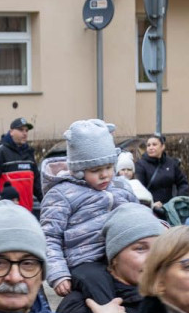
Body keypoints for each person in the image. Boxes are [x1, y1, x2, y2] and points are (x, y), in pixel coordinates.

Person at [41, 119, 137, 297]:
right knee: (97, 284)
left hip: (119, 254)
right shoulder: (61, 194)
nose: (105, 175)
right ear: (78, 170)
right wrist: (58, 273)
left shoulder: (121, 187)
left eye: (109, 167)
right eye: (95, 170)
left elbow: (139, 216)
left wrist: (159, 225)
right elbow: (50, 237)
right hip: (83, 260)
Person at [56, 203, 166, 313]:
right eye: (140, 248)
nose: (153, 258)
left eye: (158, 248)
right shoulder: (81, 303)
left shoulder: (168, 298)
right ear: (114, 258)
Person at [0, 117, 41, 213]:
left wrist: (46, 203)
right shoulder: (1, 151)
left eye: (26, 130)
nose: (24, 133)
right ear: (11, 132)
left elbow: (37, 184)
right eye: (20, 130)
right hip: (6, 212)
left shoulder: (30, 153)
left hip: (27, 212)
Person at [135, 133, 189, 214]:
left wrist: (178, 201)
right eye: (148, 145)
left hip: (170, 208)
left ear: (162, 147)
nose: (151, 147)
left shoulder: (171, 163)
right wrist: (151, 204)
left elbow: (182, 183)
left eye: (154, 145)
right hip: (151, 210)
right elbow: (139, 189)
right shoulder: (141, 165)